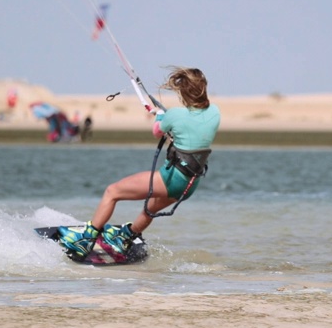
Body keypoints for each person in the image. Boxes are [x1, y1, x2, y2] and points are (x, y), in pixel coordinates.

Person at [58, 67, 221, 257]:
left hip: (172, 179)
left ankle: (85, 240)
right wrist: (168, 120)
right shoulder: (214, 113)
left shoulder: (175, 115)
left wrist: (160, 115)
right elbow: (190, 132)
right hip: (190, 184)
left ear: (183, 91)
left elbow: (157, 131)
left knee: (112, 192)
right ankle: (125, 237)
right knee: (150, 208)